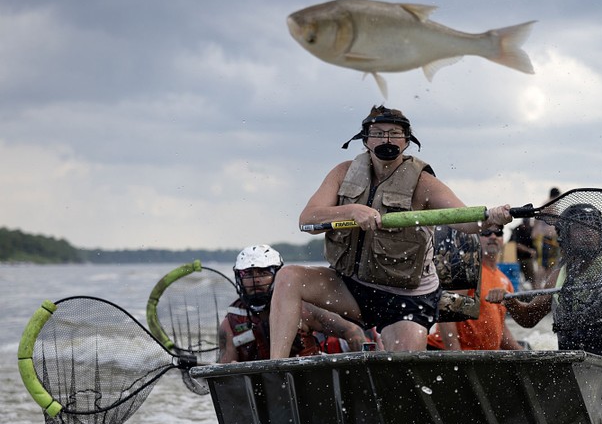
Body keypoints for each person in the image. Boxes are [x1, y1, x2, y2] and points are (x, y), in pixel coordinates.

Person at [268, 106, 512, 357]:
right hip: (353, 287)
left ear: (407, 141)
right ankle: (275, 367)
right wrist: (351, 210)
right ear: (365, 140)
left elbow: (465, 222)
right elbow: (307, 219)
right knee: (288, 277)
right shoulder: (343, 172)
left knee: (402, 368)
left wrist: (492, 218)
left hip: (406, 298)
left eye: (394, 133)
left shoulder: (423, 183)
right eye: (378, 133)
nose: (386, 139)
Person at [492, 203, 602, 361]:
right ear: (564, 234)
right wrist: (509, 300)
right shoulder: (558, 276)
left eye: (594, 227)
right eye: (580, 227)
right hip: (572, 367)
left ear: (601, 235)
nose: (588, 233)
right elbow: (529, 319)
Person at [218, 244, 376, 363]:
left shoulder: (304, 310)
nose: (256, 280)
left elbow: (351, 332)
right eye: (248, 274)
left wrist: (367, 364)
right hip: (264, 388)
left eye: (263, 273)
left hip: (310, 381)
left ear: (277, 275)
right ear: (239, 278)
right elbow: (224, 369)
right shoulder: (230, 323)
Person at [427, 225, 524, 351]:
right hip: (447, 354)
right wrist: (456, 357)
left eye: (498, 232)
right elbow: (446, 312)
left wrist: (524, 354)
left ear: (502, 239)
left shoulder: (505, 281)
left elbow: (500, 326)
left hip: (480, 360)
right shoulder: (467, 271)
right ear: (477, 238)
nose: (493, 237)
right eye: (486, 232)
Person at [531, 187, 561, 286]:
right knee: (542, 264)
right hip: (544, 238)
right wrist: (535, 230)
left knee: (551, 264)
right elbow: (537, 217)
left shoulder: (553, 205)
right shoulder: (548, 203)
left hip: (551, 238)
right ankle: (538, 287)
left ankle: (547, 286)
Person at [511, 218, 537, 288]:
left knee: (532, 279)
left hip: (528, 259)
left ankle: (535, 294)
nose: (526, 226)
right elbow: (516, 244)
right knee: (517, 279)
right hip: (517, 259)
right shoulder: (517, 230)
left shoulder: (531, 229)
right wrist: (529, 250)